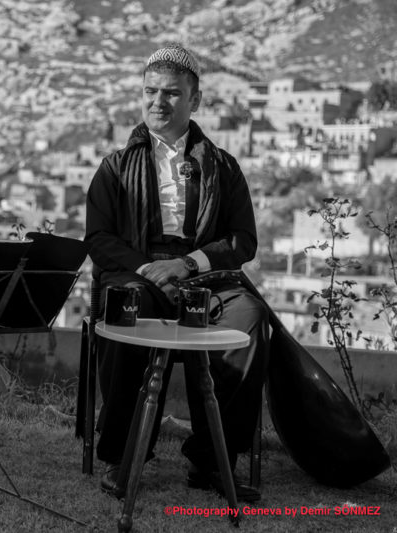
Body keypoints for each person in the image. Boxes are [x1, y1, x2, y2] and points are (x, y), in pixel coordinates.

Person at [85, 44, 268, 502]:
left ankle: (213, 460)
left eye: (171, 93)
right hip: (139, 272)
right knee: (125, 306)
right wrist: (150, 269)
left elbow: (243, 240)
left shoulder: (224, 167)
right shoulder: (114, 167)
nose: (158, 102)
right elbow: (99, 239)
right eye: (150, 91)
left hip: (204, 277)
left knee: (248, 317)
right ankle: (125, 456)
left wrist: (186, 264)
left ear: (195, 100)